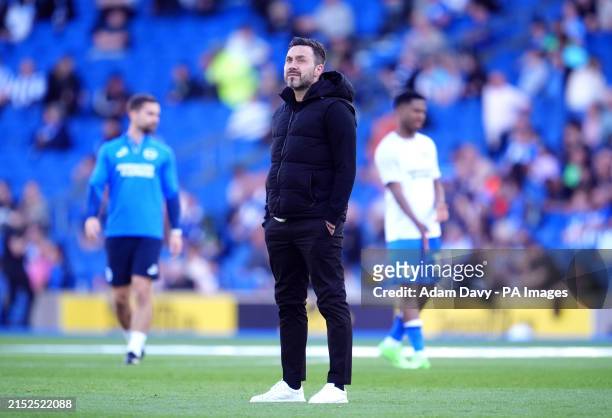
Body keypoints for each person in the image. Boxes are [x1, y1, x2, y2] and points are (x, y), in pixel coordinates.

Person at [251, 37, 356, 404]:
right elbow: (277, 168)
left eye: (300, 60)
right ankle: (291, 385)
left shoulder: (336, 109)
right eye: (288, 59)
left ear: (318, 69)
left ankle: (337, 386)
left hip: (317, 223)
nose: (292, 65)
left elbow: (346, 168)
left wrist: (332, 217)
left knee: (331, 300)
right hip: (280, 223)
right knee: (289, 303)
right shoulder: (282, 111)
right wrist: (269, 215)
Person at [84, 94, 183, 365]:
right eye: (150, 113)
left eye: (158, 115)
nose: (155, 119)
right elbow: (95, 185)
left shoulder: (163, 153)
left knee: (142, 288)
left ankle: (135, 349)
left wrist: (176, 231)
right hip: (117, 231)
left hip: (149, 232)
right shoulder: (110, 151)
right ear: (133, 114)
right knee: (119, 298)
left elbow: (172, 194)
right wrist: (91, 216)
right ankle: (133, 338)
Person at [374, 91, 448, 369]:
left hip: (431, 229)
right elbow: (396, 190)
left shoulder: (427, 144)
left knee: (428, 286)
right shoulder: (387, 148)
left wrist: (441, 203)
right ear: (400, 111)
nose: (420, 116)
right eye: (416, 111)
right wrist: (418, 223)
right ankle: (418, 352)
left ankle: (393, 340)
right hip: (403, 231)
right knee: (408, 289)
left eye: (423, 112)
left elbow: (436, 180)